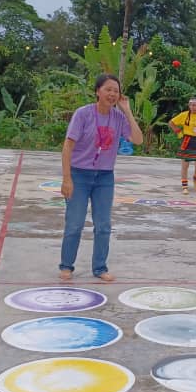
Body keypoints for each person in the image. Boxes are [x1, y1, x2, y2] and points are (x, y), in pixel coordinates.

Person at [58, 74, 143, 282]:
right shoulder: (83, 114)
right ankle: (66, 265)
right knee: (74, 224)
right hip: (79, 174)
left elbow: (138, 140)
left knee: (103, 225)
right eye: (108, 89)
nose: (112, 94)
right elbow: (68, 146)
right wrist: (67, 178)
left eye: (116, 90)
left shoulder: (119, 118)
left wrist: (128, 111)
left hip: (105, 177)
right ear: (98, 91)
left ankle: (100, 267)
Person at [168, 97, 196, 195]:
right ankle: (185, 186)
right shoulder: (184, 115)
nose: (194, 107)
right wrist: (177, 130)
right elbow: (171, 123)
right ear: (189, 106)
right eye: (192, 105)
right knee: (185, 166)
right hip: (187, 141)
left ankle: (195, 180)